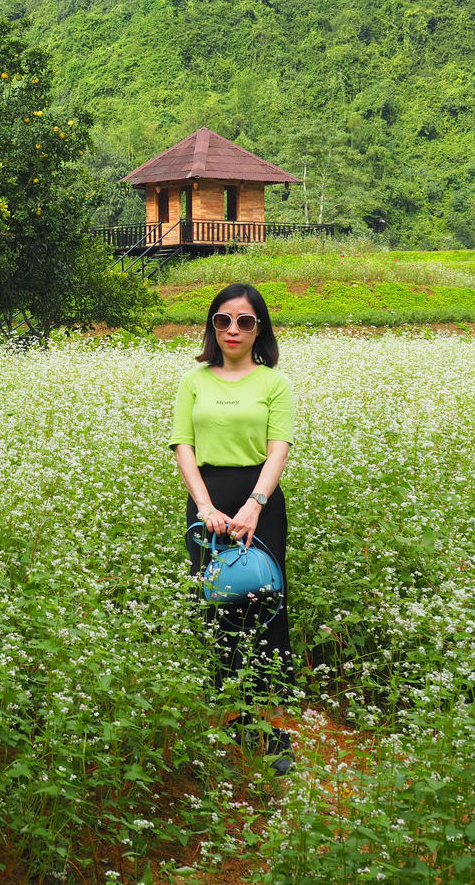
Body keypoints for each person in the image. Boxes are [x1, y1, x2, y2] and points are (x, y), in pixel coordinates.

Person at [168, 282, 297, 775]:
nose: (233, 330)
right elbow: (183, 444)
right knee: (218, 607)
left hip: (260, 504)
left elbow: (278, 446)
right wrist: (205, 506)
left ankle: (275, 728)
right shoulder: (194, 380)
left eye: (244, 321)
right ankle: (232, 716)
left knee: (266, 608)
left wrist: (254, 505)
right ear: (212, 325)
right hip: (208, 502)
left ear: (258, 327)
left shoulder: (273, 383)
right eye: (223, 320)